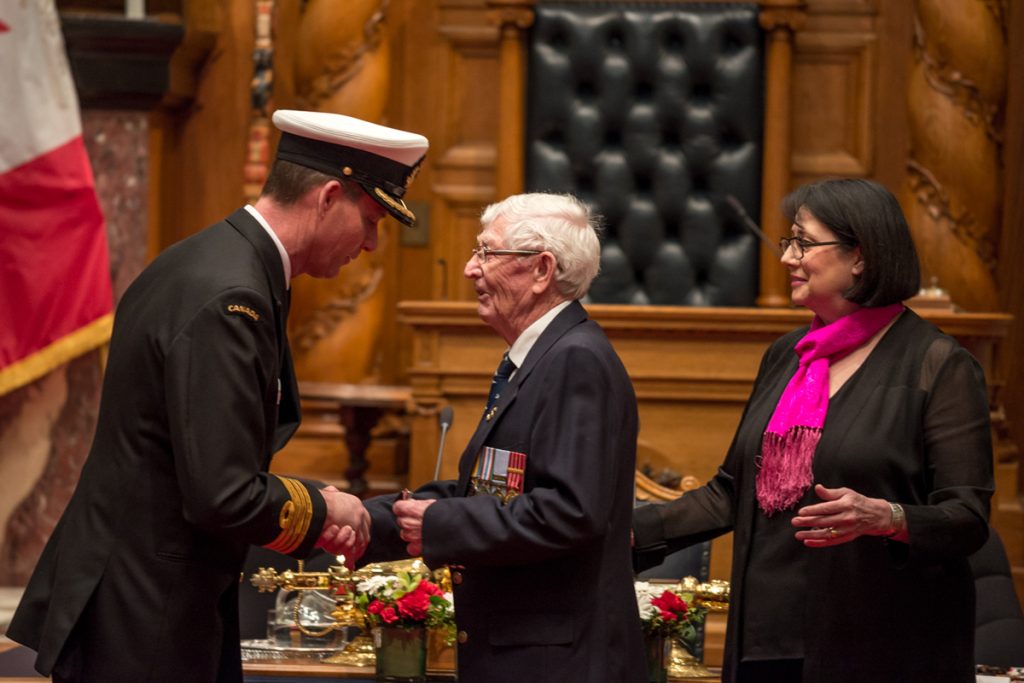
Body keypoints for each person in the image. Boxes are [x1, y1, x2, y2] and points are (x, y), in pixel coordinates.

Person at [7, 110, 428, 683]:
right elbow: (221, 493)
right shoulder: (233, 295)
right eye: (372, 219)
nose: (373, 244)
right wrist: (326, 507)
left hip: (147, 590)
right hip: (146, 610)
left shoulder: (216, 260)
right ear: (329, 197)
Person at [632, 178, 994, 683]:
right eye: (789, 242)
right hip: (767, 636)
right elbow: (732, 493)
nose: (787, 258)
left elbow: (967, 518)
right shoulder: (789, 355)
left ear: (860, 255)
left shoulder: (938, 365)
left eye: (803, 242)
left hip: (878, 644)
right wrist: (625, 530)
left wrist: (885, 516)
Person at [350, 193, 647, 682]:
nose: (471, 268)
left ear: (541, 269)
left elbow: (570, 512)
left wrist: (442, 525)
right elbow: (495, 494)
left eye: (488, 253)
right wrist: (369, 518)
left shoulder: (575, 360)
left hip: (557, 664)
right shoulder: (541, 356)